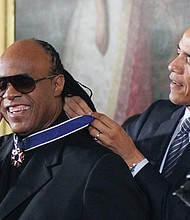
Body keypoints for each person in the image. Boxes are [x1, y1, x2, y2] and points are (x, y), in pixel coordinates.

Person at [0, 39, 149, 219]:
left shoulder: (98, 168)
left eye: (23, 82)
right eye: (2, 85)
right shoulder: (3, 149)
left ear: (57, 85)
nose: (9, 94)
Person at [64, 27, 190, 220]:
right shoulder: (156, 115)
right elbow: (101, 158)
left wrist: (132, 157)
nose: (173, 65)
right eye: (178, 52)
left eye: (188, 58)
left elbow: (179, 214)